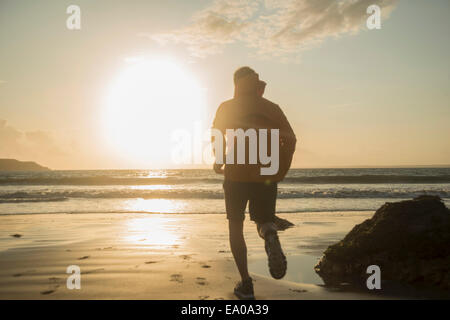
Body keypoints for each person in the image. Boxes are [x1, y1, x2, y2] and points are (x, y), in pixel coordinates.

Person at [211, 66, 297, 299]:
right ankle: (270, 234)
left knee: (235, 226)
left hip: (236, 174)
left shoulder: (227, 106)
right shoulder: (272, 108)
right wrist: (280, 169)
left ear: (236, 83)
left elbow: (218, 134)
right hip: (266, 174)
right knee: (264, 220)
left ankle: (246, 283)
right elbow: (291, 139)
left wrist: (219, 160)